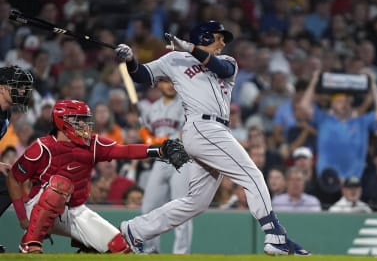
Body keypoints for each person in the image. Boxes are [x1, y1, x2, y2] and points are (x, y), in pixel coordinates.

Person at [115, 20, 310, 255]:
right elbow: (143, 75)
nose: (223, 43)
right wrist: (130, 60)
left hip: (217, 130)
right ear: (206, 38)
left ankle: (136, 229)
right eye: (219, 37)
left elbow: (221, 69)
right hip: (201, 127)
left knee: (196, 202)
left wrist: (189, 48)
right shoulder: (173, 60)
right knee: (251, 174)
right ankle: (275, 234)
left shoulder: (228, 62)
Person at [6, 99, 184, 254]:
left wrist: (159, 150)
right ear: (62, 122)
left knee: (119, 248)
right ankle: (30, 243)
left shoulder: (93, 143)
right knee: (60, 185)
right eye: (79, 120)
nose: (85, 125)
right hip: (39, 204)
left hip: (73, 210)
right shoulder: (42, 146)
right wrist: (22, 217)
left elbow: (125, 150)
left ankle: (88, 247)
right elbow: (13, 178)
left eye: (85, 120)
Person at [300, 70, 377, 181]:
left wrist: (373, 84)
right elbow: (304, 106)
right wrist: (314, 81)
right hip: (327, 177)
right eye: (339, 101)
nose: (344, 104)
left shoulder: (360, 122)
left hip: (354, 178)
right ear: (332, 105)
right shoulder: (324, 120)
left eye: (346, 101)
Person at [138, 76, 192, 254]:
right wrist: (146, 137)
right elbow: (148, 140)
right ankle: (151, 251)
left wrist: (158, 140)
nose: (170, 85)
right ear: (157, 84)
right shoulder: (151, 110)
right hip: (160, 161)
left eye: (172, 81)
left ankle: (181, 254)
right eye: (165, 81)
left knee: (181, 209)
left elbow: (184, 134)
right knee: (148, 207)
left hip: (181, 159)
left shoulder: (186, 103)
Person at [0, 66, 33, 253]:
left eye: (23, 87)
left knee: (8, 182)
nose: (22, 91)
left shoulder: (6, 113)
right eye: (17, 86)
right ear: (1, 88)